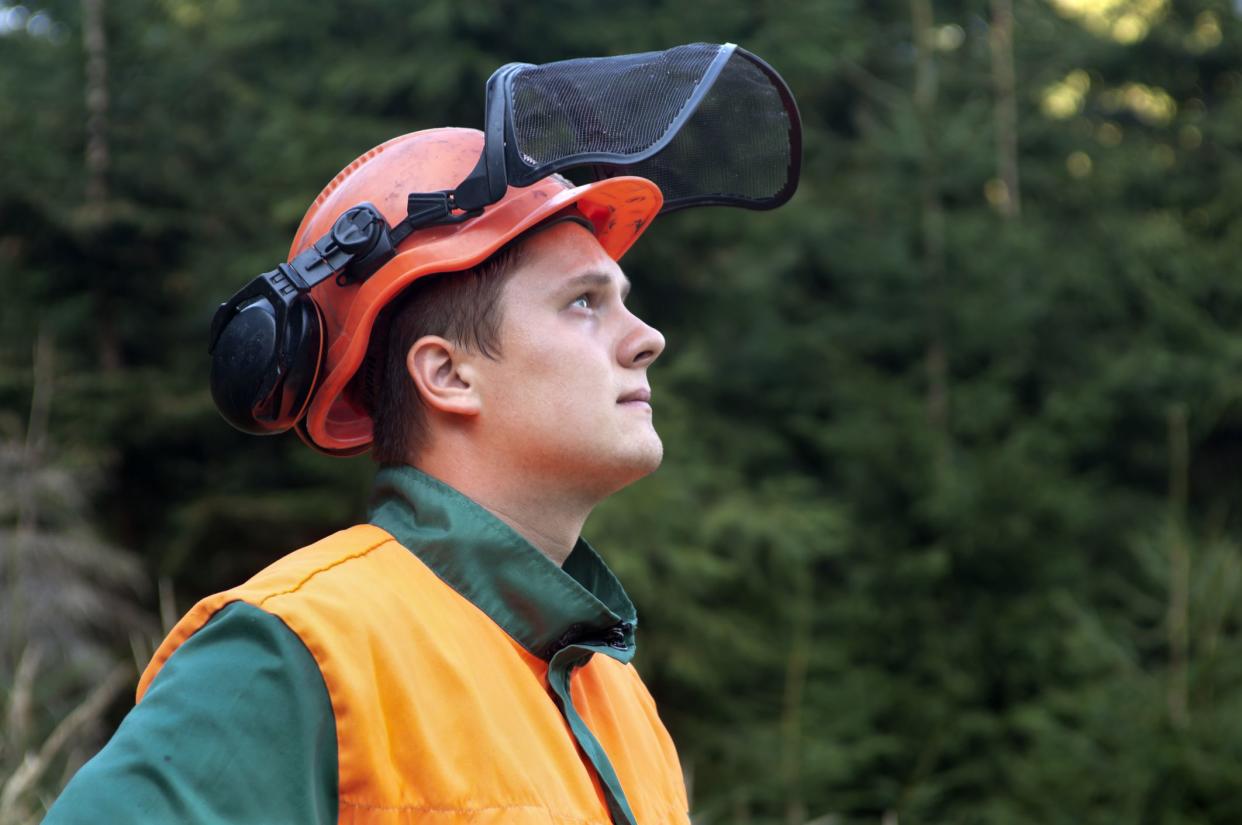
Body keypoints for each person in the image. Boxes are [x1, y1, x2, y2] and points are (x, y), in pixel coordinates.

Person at [43, 42, 801, 825]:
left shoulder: (622, 704)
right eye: (583, 301)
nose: (647, 338)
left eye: (623, 299)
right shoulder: (303, 650)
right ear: (447, 374)